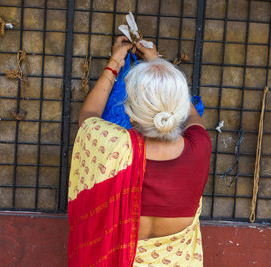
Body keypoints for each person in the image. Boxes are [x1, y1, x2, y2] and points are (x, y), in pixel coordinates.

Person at [67, 36, 211, 266]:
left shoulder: (115, 146)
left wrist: (115, 62)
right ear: (180, 108)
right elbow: (193, 117)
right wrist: (156, 60)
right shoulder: (199, 147)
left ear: (131, 117)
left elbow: (88, 117)